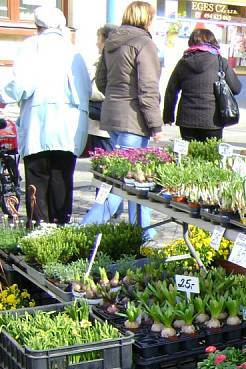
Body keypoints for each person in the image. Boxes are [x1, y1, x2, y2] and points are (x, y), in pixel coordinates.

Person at [0, 6, 90, 226]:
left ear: (38, 26)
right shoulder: (72, 49)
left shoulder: (32, 46)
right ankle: (61, 230)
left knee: (37, 182)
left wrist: (3, 96)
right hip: (69, 127)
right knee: (62, 180)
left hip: (40, 124)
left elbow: (22, 84)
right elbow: (86, 89)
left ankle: (39, 232)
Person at [91, 0, 162, 236]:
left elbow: (101, 80)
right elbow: (148, 87)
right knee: (122, 183)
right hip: (133, 119)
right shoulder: (144, 43)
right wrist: (155, 124)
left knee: (131, 180)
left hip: (112, 116)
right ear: (146, 18)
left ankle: (141, 232)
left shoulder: (112, 41)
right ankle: (86, 230)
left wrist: (115, 95)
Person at [163, 29, 242, 141]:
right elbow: (236, 88)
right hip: (213, 120)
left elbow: (171, 91)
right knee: (211, 157)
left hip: (187, 120)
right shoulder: (220, 62)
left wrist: (168, 116)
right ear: (213, 42)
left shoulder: (183, 63)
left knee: (189, 157)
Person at [85, 24, 116, 155]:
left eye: (99, 39)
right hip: (97, 126)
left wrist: (86, 92)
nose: (97, 43)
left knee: (106, 162)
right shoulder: (100, 61)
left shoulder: (110, 62)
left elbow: (102, 89)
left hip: (104, 127)